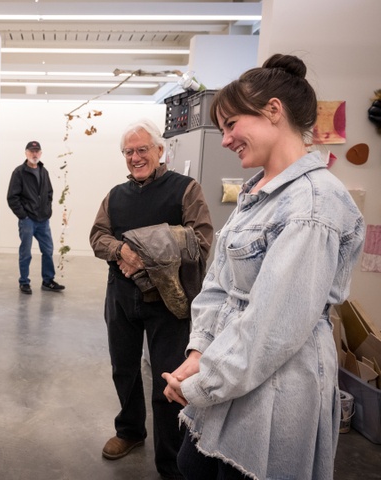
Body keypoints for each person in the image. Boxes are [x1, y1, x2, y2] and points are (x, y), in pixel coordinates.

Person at [161, 54, 366, 480]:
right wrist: (198, 352)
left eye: (232, 124)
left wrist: (202, 384)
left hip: (276, 385)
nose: (225, 140)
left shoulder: (313, 203)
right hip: (230, 368)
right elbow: (218, 282)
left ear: (273, 111)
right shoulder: (257, 193)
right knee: (192, 466)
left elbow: (273, 327)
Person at [90, 119, 213, 480]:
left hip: (168, 300)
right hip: (122, 297)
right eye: (129, 152)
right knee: (123, 368)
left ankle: (171, 459)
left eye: (142, 149)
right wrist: (121, 251)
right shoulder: (116, 195)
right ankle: (129, 431)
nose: (135, 157)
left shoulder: (186, 189)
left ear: (161, 151)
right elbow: (98, 236)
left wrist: (145, 251)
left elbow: (201, 240)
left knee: (168, 379)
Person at [7, 140, 65, 294]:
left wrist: (47, 210)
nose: (34, 154)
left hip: (43, 220)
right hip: (28, 220)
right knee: (26, 252)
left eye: (37, 151)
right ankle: (24, 282)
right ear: (26, 153)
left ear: (41, 153)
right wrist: (23, 216)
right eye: (31, 151)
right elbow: (12, 197)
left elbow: (49, 193)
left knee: (48, 250)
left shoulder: (43, 171)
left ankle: (48, 281)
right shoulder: (19, 172)